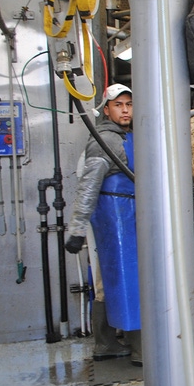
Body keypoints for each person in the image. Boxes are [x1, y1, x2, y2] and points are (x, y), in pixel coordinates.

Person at [65, 84, 142, 366]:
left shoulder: (125, 137)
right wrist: (76, 229)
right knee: (130, 280)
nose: (125, 110)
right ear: (106, 109)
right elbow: (88, 186)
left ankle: (106, 343)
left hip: (126, 216)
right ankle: (140, 349)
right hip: (116, 219)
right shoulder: (106, 141)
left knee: (108, 281)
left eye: (128, 104)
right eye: (118, 105)